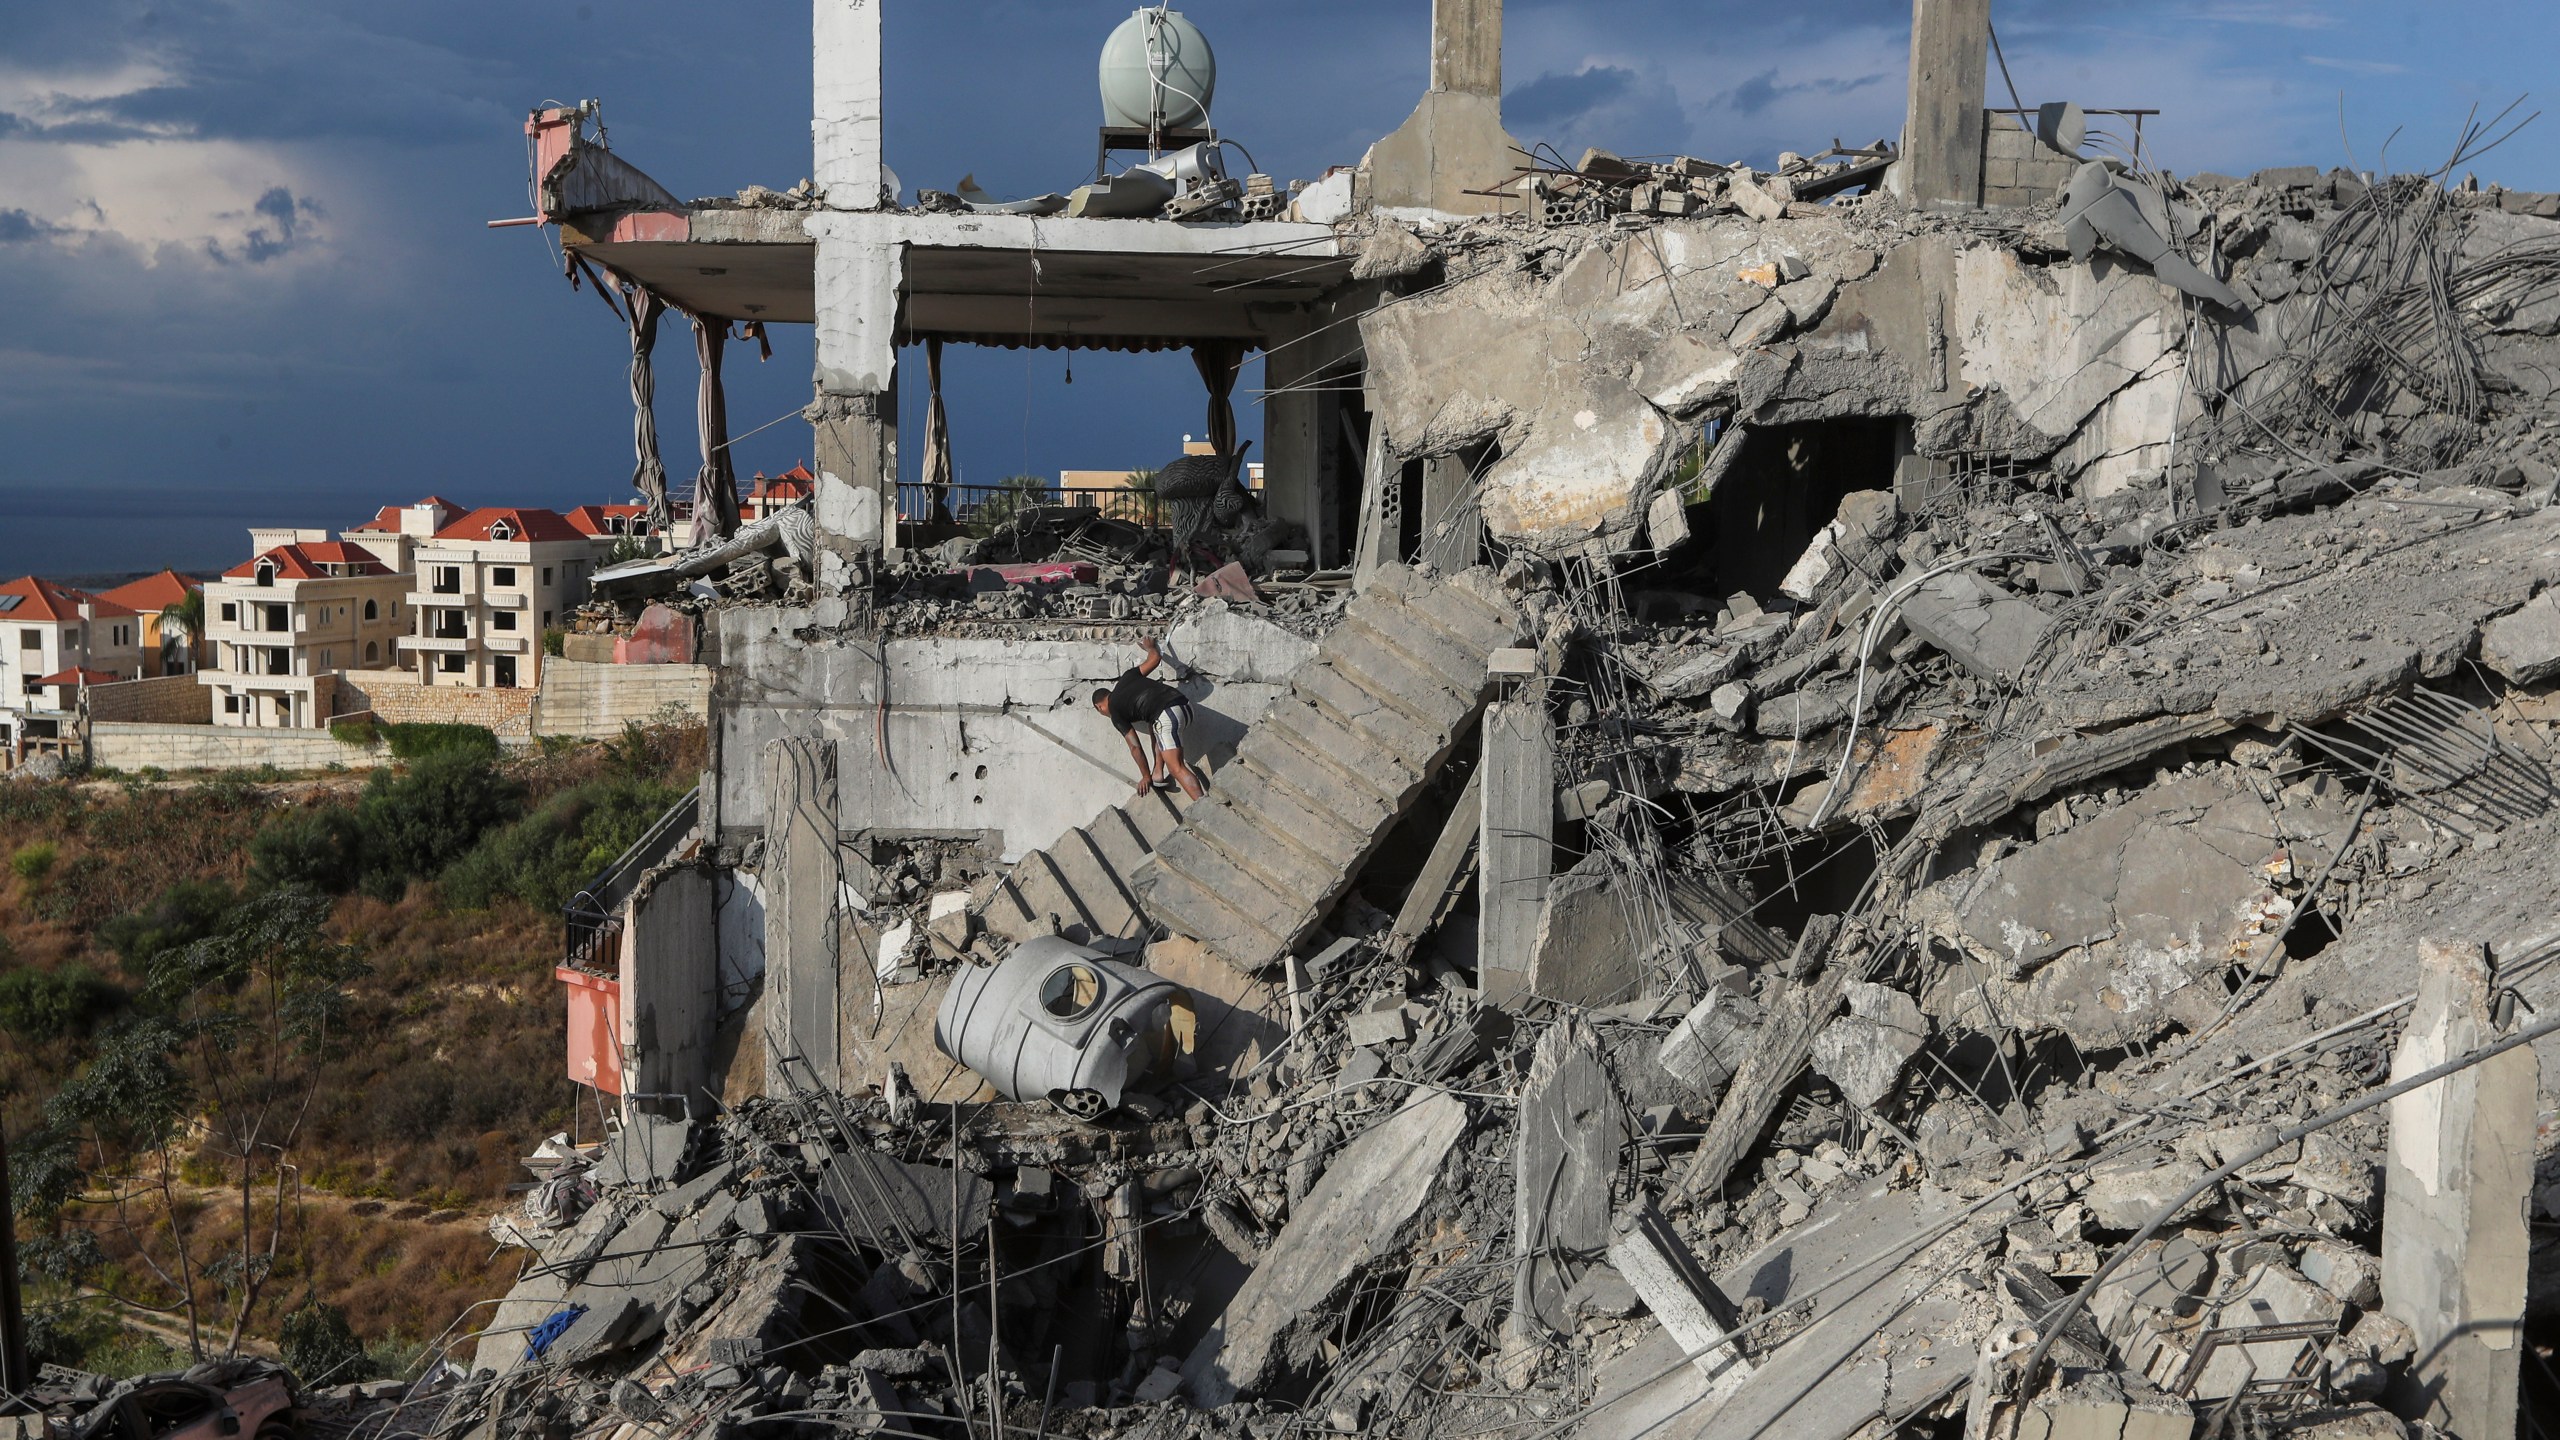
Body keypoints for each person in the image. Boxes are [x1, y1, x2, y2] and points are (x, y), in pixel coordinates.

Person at [1093, 636, 1206, 800]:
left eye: (1101, 712)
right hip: (1185, 706)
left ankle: (1203, 804)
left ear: (1100, 707)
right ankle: (1158, 772)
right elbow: (1155, 658)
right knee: (1154, 726)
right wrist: (1150, 647)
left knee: (1177, 768)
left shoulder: (1115, 712)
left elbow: (1135, 747)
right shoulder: (1127, 677)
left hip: (1167, 714)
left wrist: (1145, 776)